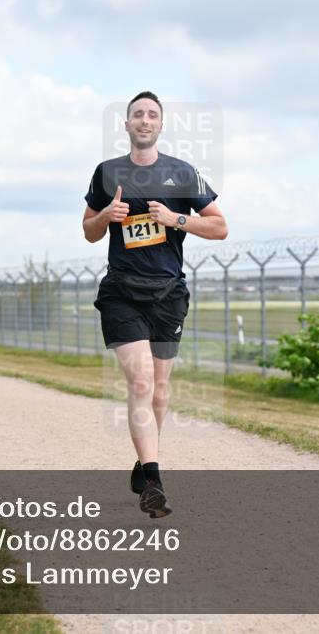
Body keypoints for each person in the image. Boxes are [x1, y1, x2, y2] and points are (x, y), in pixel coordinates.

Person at [82, 91, 228, 518]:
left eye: (152, 115)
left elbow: (220, 227)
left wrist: (176, 219)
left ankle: (144, 464)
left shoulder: (182, 173)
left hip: (167, 295)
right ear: (126, 125)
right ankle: (155, 481)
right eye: (136, 115)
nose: (144, 120)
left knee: (159, 391)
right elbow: (89, 232)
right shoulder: (107, 173)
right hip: (122, 293)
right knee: (142, 383)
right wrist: (106, 215)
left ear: (160, 125)